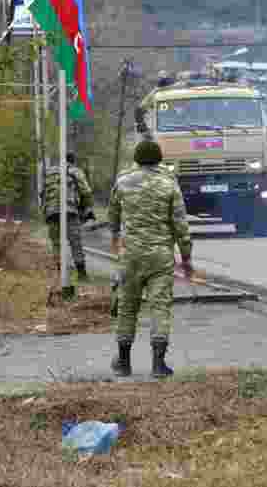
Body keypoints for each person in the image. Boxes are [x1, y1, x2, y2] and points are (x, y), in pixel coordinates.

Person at [108, 139, 194, 378]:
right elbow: (180, 226)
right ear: (159, 159)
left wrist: (117, 241)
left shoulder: (123, 181)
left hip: (131, 256)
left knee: (127, 307)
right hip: (160, 257)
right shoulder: (169, 184)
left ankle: (123, 362)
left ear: (136, 158)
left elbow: (112, 218)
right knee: (160, 307)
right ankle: (158, 364)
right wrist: (186, 259)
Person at [42, 152, 94, 280]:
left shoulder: (50, 172)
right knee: (75, 242)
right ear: (73, 161)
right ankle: (82, 274)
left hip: (51, 212)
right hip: (69, 210)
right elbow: (86, 191)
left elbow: (42, 193)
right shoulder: (75, 171)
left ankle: (61, 274)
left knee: (56, 244)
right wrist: (87, 209)